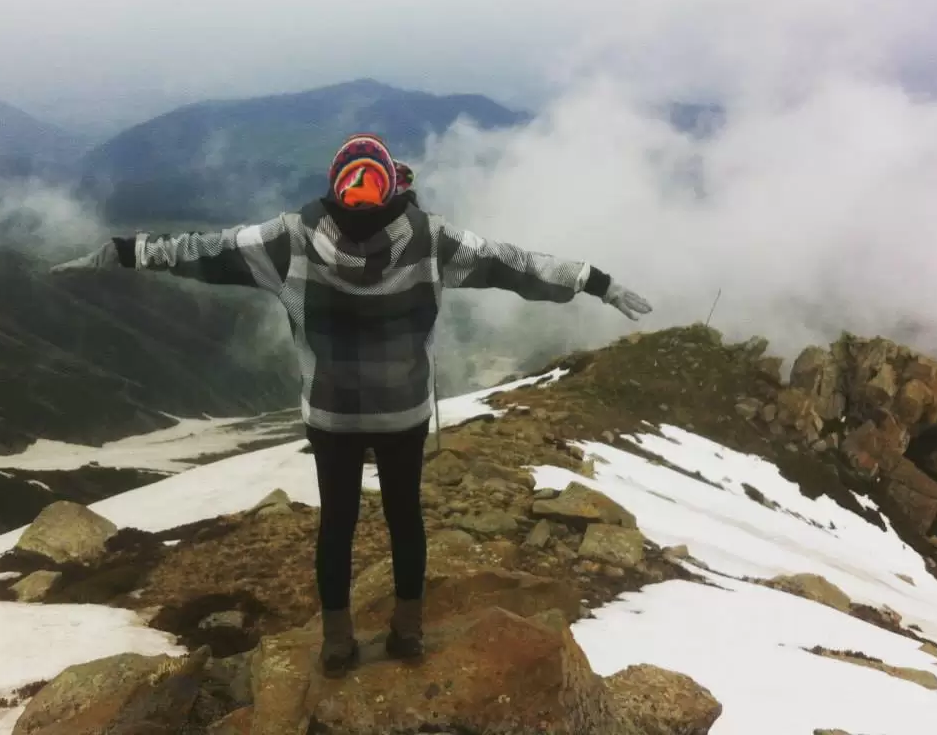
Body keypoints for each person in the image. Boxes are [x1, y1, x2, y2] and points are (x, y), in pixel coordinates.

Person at [50, 132, 652, 676]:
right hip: (403, 413)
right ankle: (407, 634)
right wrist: (594, 280)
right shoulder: (432, 239)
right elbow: (514, 264)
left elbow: (202, 250)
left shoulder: (289, 238)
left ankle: (337, 644)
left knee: (336, 526)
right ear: (392, 185)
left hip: (332, 416)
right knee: (404, 519)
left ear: (334, 187)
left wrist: (123, 251)